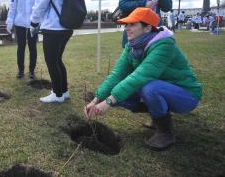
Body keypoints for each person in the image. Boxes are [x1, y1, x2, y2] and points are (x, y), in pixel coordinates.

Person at [84, 8, 202, 151]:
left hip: (186, 95)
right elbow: (116, 74)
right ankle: (156, 112)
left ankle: (165, 132)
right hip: (160, 89)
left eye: (132, 24)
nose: (127, 28)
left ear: (147, 28)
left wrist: (109, 101)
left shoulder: (164, 46)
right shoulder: (132, 47)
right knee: (121, 92)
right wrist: (96, 99)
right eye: (126, 25)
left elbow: (140, 75)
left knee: (149, 88)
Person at [30, 0, 76, 103]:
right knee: (58, 60)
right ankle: (64, 91)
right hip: (66, 27)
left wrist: (34, 23)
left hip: (53, 28)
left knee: (52, 62)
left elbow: (40, 4)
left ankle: (57, 95)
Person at [6, 0, 39, 79]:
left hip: (33, 24)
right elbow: (12, 8)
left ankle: (32, 71)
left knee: (32, 47)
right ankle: (20, 70)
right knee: (21, 47)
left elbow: (40, 8)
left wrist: (40, 22)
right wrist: (10, 21)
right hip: (19, 24)